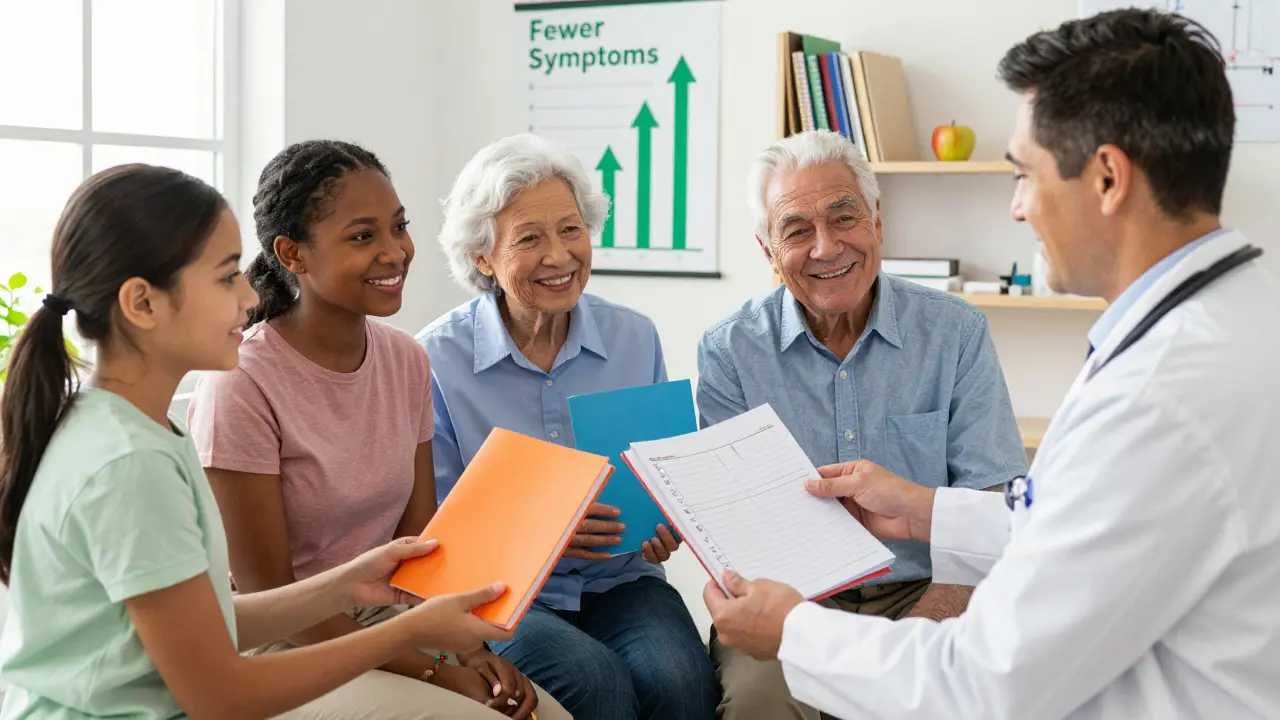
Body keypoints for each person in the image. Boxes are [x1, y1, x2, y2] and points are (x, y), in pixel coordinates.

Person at [704, 9, 1280, 719]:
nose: (1016, 207)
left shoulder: (1163, 396)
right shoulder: (1230, 326)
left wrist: (792, 632)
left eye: (1025, 173)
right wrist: (924, 510)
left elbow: (987, 680)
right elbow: (1079, 530)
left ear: (1106, 178)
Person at [0, 164, 513, 719]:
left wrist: (345, 585)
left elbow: (209, 619)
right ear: (142, 304)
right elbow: (221, 697)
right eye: (226, 278)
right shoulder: (128, 464)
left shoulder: (129, 428)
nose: (249, 298)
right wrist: (407, 635)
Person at [186, 140, 566, 720]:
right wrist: (438, 671)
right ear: (293, 254)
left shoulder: (405, 359)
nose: (395, 252)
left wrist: (470, 650)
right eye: (363, 237)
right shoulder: (242, 383)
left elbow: (422, 545)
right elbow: (270, 596)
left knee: (548, 716)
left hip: (394, 619)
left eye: (399, 227)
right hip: (286, 643)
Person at [697, 128, 1027, 718]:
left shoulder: (956, 332)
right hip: (790, 598)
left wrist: (910, 641)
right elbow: (732, 528)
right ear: (767, 249)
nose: (826, 247)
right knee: (758, 704)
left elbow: (990, 500)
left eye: (844, 217)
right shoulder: (729, 351)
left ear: (877, 219)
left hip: (925, 590)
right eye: (796, 230)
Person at [419, 133, 720, 720]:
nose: (559, 256)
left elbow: (660, 479)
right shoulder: (435, 359)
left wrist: (667, 524)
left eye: (571, 230)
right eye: (529, 238)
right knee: (595, 682)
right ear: (483, 256)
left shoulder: (636, 337)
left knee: (683, 682)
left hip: (619, 580)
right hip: (502, 594)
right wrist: (542, 533)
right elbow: (434, 527)